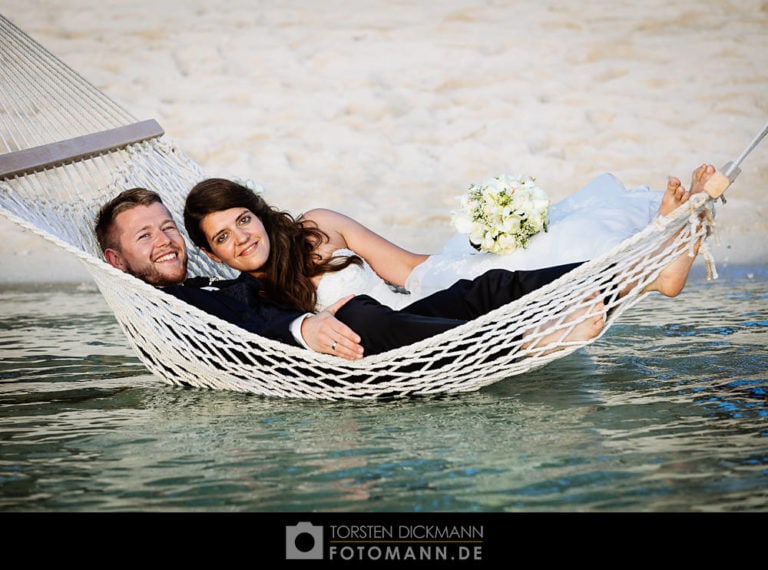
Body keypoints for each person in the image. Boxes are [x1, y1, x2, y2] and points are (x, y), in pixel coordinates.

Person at [95, 188, 600, 360]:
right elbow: (252, 324)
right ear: (116, 261)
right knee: (359, 313)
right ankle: (524, 340)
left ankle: (610, 275)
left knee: (485, 286)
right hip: (368, 349)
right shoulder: (169, 306)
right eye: (145, 237)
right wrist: (305, 326)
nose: (164, 241)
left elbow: (406, 267)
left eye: (166, 229)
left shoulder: (227, 282)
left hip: (406, 323)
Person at [182, 164, 714, 317]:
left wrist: (470, 253)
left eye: (243, 220)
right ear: (211, 254)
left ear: (257, 210)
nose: (242, 239)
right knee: (528, 278)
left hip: (428, 291)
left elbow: (401, 263)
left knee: (539, 253)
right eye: (224, 238)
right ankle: (658, 261)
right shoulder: (255, 302)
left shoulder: (316, 226)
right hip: (411, 332)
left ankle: (658, 262)